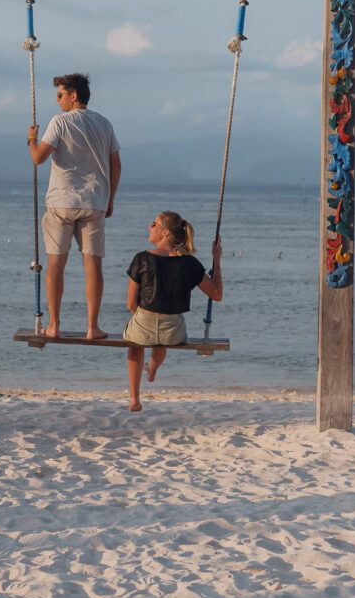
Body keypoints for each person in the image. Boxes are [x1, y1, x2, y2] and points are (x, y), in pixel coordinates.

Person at [28, 73, 121, 340]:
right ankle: (93, 327)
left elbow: (38, 158)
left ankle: (54, 325)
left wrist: (32, 138)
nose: (57, 100)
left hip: (61, 203)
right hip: (94, 202)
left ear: (74, 96)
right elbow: (116, 165)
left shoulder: (59, 122)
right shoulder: (105, 124)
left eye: (60, 95)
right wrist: (110, 199)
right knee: (93, 266)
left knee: (56, 264)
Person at [124, 211, 222, 412]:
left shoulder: (142, 258)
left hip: (144, 322)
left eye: (153, 224)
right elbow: (216, 294)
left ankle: (134, 397)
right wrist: (217, 260)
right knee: (162, 336)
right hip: (173, 332)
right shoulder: (190, 263)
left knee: (136, 344)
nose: (149, 228)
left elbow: (130, 304)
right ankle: (152, 370)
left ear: (165, 232)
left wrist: (144, 318)